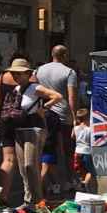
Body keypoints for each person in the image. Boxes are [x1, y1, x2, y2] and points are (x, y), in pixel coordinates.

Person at [0, 55, 63, 212]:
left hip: (34, 129)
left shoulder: (35, 87)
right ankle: (28, 200)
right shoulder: (15, 90)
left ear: (28, 74)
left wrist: (44, 109)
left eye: (20, 73)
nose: (16, 76)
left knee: (30, 165)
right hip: (19, 129)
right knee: (23, 169)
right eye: (14, 74)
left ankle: (38, 200)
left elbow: (57, 96)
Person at [35, 45, 79, 197]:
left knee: (47, 150)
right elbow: (72, 97)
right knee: (66, 151)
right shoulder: (69, 72)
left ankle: (53, 183)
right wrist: (75, 118)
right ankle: (67, 181)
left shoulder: (39, 70)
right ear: (65, 55)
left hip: (44, 114)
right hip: (62, 115)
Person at [73, 107, 95, 188]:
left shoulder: (75, 128)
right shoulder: (89, 129)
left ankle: (83, 185)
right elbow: (92, 140)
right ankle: (85, 183)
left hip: (77, 151)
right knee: (90, 171)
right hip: (86, 151)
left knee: (81, 170)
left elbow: (72, 136)